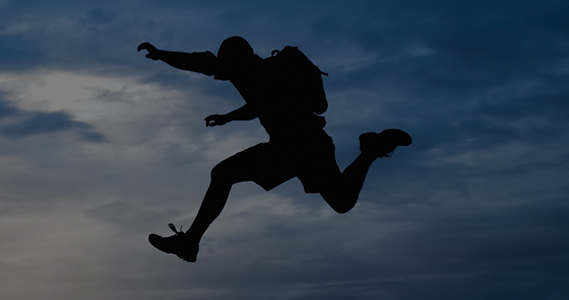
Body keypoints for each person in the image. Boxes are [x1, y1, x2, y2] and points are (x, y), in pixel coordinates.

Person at [137, 36, 412, 262]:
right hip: (288, 147)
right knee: (224, 174)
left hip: (307, 145)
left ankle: (370, 151)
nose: (223, 71)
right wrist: (162, 54)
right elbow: (206, 65)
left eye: (228, 64)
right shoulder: (249, 71)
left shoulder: (267, 71)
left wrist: (163, 55)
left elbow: (266, 99)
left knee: (340, 202)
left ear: (241, 57)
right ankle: (190, 243)